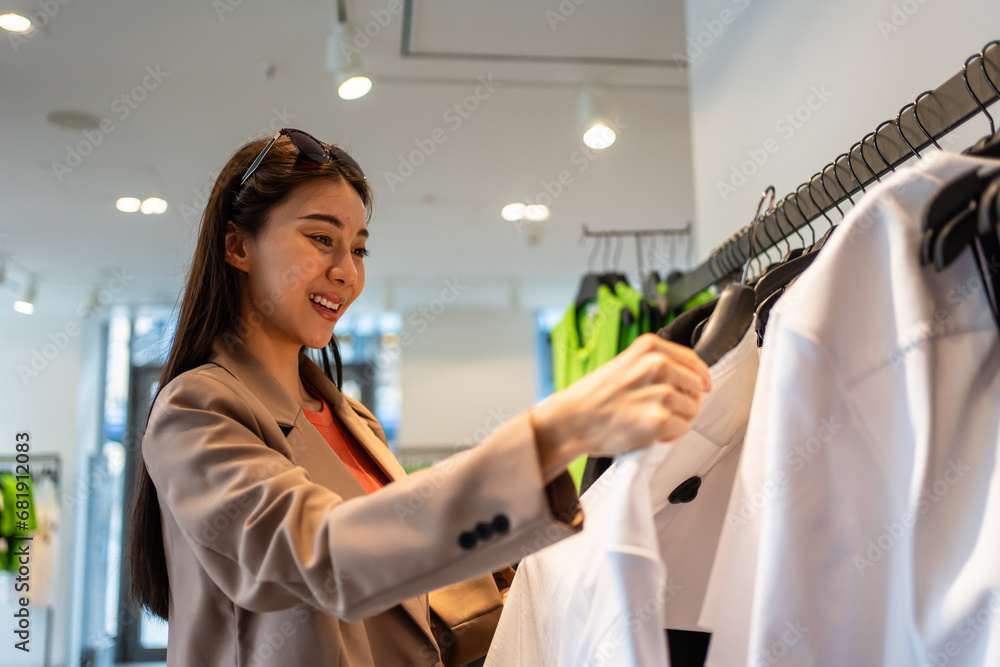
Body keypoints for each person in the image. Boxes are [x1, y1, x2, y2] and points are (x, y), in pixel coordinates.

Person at [127, 128, 712, 667]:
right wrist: (555, 432)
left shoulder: (352, 419)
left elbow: (403, 575)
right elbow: (323, 557)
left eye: (358, 249)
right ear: (237, 247)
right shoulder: (195, 410)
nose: (345, 272)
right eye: (320, 238)